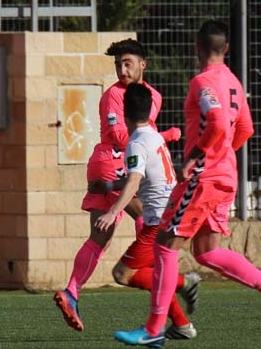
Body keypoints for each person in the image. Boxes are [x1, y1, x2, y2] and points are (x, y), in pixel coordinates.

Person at [113, 20, 261, 348]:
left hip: (204, 176)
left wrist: (198, 156)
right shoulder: (235, 83)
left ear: (197, 48)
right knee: (207, 252)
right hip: (226, 175)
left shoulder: (203, 82)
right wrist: (222, 156)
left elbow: (217, 121)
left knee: (165, 246)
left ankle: (154, 328)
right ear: (226, 49)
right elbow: (245, 130)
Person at [55, 38, 181, 332]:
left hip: (122, 167)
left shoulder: (153, 96)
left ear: (142, 65)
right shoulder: (114, 96)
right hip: (112, 162)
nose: (122, 70)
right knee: (151, 229)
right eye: (117, 65)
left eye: (127, 64)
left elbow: (141, 143)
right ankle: (171, 302)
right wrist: (166, 137)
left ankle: (71, 293)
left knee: (102, 239)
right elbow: (125, 138)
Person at [95, 83, 201, 341]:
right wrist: (109, 185)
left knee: (123, 274)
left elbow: (133, 181)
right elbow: (141, 177)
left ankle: (185, 282)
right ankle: (182, 325)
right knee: (155, 272)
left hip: (157, 222)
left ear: (124, 115)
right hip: (168, 216)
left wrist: (111, 213)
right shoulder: (153, 136)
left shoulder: (136, 143)